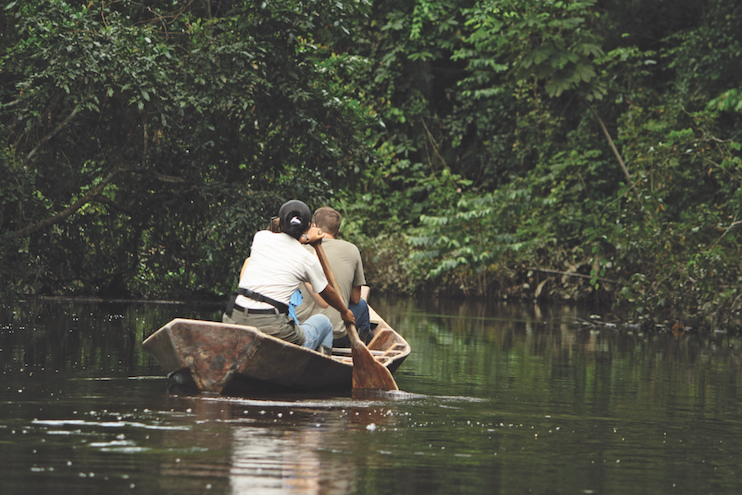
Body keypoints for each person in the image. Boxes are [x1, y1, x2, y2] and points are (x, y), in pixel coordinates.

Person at [222, 200, 354, 355]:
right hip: (272, 326)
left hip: (234, 317)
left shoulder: (261, 237)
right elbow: (328, 294)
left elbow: (285, 242)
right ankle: (318, 368)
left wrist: (304, 238)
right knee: (324, 323)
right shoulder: (306, 258)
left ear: (279, 222)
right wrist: (344, 311)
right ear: (308, 227)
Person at [295, 206, 372, 347]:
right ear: (338, 232)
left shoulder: (297, 248)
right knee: (361, 305)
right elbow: (355, 298)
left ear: (313, 227)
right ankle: (361, 346)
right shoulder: (351, 249)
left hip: (299, 331)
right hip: (337, 336)